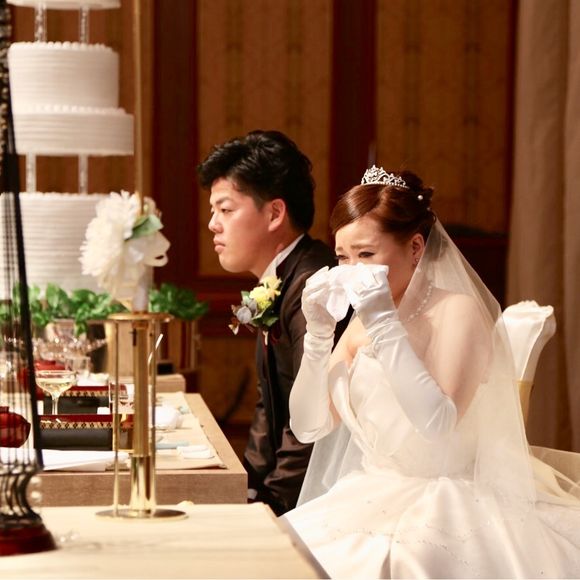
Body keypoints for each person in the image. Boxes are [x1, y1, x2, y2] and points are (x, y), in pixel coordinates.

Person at [282, 166, 580, 578]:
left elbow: (438, 424)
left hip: (445, 502)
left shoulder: (457, 310)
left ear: (416, 248)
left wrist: (384, 325)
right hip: (370, 492)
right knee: (281, 554)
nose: (351, 272)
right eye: (342, 257)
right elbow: (308, 427)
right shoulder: (362, 321)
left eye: (366, 255)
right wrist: (318, 336)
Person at [198, 129, 347, 515]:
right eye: (213, 211)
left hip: (327, 491)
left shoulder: (315, 286)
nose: (212, 224)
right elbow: (270, 404)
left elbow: (317, 418)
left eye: (225, 210)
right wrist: (249, 487)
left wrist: (273, 506)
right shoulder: (283, 278)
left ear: (275, 213)